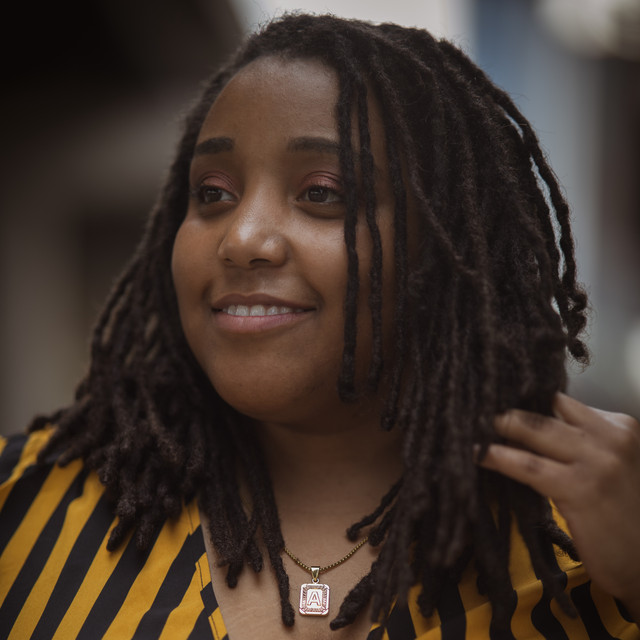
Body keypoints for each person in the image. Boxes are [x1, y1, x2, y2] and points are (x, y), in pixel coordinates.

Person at [1, 12, 638, 640]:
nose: (241, 239)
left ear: (447, 252)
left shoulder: (596, 539)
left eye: (323, 192)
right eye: (213, 193)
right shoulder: (20, 505)